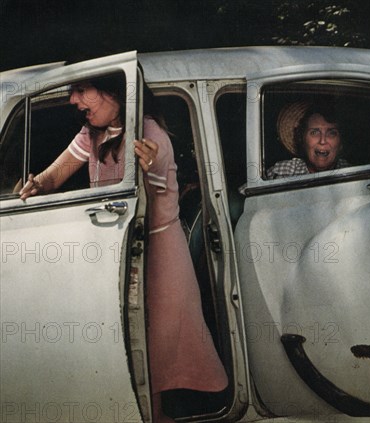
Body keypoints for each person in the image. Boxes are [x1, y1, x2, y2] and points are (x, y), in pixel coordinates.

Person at [19, 74, 228, 422]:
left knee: (153, 357)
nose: (73, 101)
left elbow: (155, 186)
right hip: (119, 251)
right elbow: (53, 175)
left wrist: (151, 166)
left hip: (159, 258)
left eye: (81, 91)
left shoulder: (148, 132)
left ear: (115, 91)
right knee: (130, 354)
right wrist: (35, 184)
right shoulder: (93, 133)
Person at [267, 101, 350, 179]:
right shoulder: (281, 173)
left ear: (340, 143)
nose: (322, 141)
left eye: (331, 133)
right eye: (314, 132)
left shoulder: (353, 172)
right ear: (302, 139)